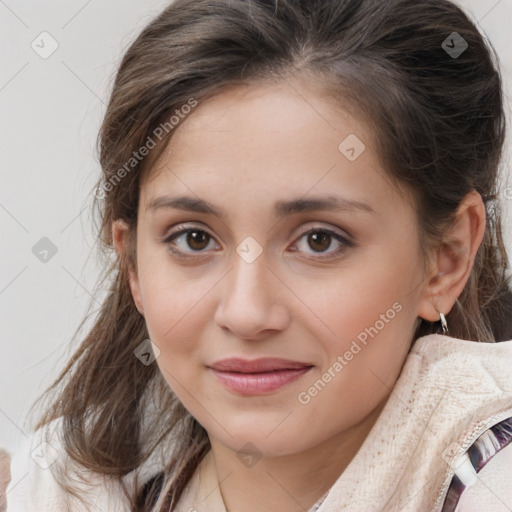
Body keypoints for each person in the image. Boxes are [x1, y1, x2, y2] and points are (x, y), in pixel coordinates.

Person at [4, 0, 512, 510]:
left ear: (445, 259)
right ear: (133, 264)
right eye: (193, 239)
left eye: (319, 240)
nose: (246, 314)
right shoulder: (60, 488)